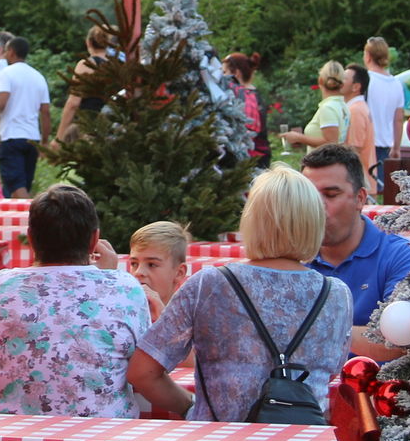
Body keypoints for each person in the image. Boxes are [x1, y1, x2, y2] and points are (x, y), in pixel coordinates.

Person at [128, 166, 353, 421]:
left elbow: (142, 372)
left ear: (251, 220)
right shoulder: (337, 294)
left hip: (220, 438)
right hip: (303, 439)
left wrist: (191, 407)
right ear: (314, 222)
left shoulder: (210, 285)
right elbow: (330, 372)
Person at [0, 184, 153, 418]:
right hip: (106, 433)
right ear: (94, 239)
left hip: (9, 434)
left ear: (31, 238)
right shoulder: (126, 286)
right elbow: (143, 364)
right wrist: (109, 277)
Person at [300, 142, 410, 357]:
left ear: (360, 198)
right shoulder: (292, 255)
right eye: (308, 196)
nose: (317, 206)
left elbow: (401, 343)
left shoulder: (400, 256)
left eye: (330, 194)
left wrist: (313, 330)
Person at [0, 36, 53, 198]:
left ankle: (35, 212)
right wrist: (44, 141)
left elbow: (2, 102)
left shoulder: (6, 73)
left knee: (16, 187)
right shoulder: (38, 77)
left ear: (12, 52)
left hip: (11, 135)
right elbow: (45, 112)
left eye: (6, 51)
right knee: (23, 186)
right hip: (32, 138)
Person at [55, 26, 113, 145]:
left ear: (88, 42)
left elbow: (73, 103)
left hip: (89, 128)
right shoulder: (117, 65)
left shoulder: (87, 65)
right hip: (112, 127)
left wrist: (59, 137)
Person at [362, 37, 406, 190]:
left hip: (366, 141)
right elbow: (398, 119)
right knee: (380, 187)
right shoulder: (396, 83)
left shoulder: (366, 80)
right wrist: (397, 147)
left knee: (365, 186)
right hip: (387, 143)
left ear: (368, 56)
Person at [282, 61, 347, 151]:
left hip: (324, 159)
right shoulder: (343, 105)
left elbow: (331, 142)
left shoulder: (328, 108)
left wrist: (299, 138)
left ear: (320, 80)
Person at [125, 219, 191, 307]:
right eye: (134, 264)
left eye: (151, 265)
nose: (138, 272)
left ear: (179, 273)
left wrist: (162, 314)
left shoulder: (192, 314)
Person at [223, 52, 271, 170]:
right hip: (258, 156)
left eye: (224, 72)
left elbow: (249, 128)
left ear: (236, 73)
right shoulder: (254, 93)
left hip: (250, 159)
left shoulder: (245, 96)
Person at [341, 63, 375, 181]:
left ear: (356, 87)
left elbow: (354, 148)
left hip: (358, 180)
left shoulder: (355, 110)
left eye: (344, 78)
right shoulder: (357, 107)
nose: (339, 81)